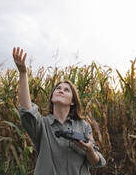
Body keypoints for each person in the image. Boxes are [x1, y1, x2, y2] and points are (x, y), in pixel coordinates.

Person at [13, 47, 106, 175]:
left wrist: (89, 150)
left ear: (72, 101)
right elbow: (27, 111)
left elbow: (96, 162)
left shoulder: (83, 126)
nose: (61, 90)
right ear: (52, 97)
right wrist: (23, 73)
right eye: (58, 88)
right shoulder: (42, 125)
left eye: (66, 90)